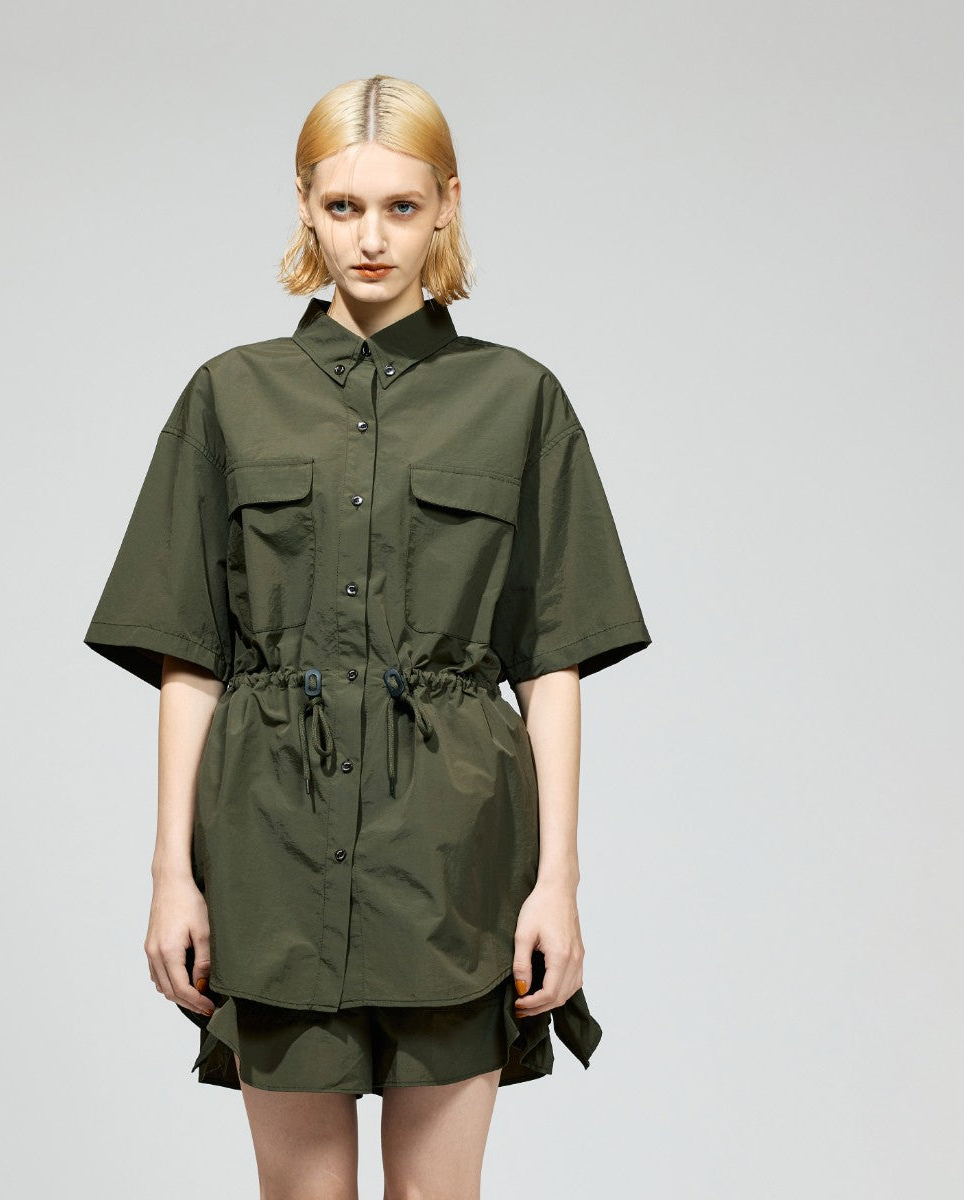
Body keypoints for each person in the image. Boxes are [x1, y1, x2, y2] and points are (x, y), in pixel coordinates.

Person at [83, 74, 651, 1200]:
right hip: (269, 847)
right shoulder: (228, 397)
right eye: (343, 206)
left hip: (454, 855)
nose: (371, 238)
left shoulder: (518, 400)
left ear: (447, 205)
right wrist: (169, 876)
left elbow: (552, 661)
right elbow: (190, 660)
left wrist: (559, 885)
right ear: (303, 204)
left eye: (400, 206)